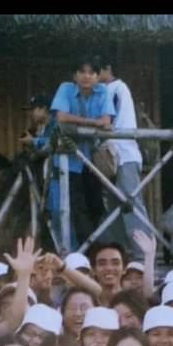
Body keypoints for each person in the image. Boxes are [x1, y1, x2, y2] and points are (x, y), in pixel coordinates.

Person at [49, 56, 112, 245]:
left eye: (91, 72)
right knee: (75, 208)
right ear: (74, 75)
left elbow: (107, 121)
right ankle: (84, 251)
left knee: (97, 207)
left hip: (91, 161)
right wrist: (93, 123)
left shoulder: (103, 91)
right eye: (82, 72)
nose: (86, 76)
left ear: (98, 76)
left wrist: (93, 123)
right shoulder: (66, 89)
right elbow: (61, 117)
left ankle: (93, 249)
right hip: (68, 161)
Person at [93, 55, 145, 253]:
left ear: (107, 69)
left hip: (125, 154)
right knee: (114, 206)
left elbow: (107, 120)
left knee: (131, 204)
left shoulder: (117, 89)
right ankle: (123, 250)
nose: (94, 77)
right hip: (112, 156)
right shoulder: (108, 90)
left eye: (97, 72)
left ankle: (142, 252)